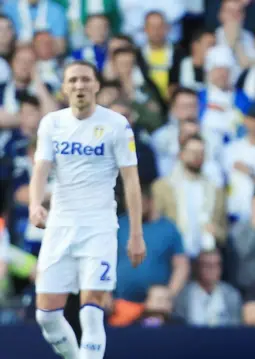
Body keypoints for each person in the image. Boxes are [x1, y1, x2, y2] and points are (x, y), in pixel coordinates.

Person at [29, 59, 147, 359]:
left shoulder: (116, 125)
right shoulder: (52, 124)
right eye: (73, 81)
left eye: (85, 80)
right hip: (60, 225)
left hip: (99, 226)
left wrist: (136, 234)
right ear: (65, 88)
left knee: (92, 310)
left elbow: (131, 182)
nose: (79, 86)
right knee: (46, 316)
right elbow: (40, 170)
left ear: (96, 85)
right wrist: (35, 204)